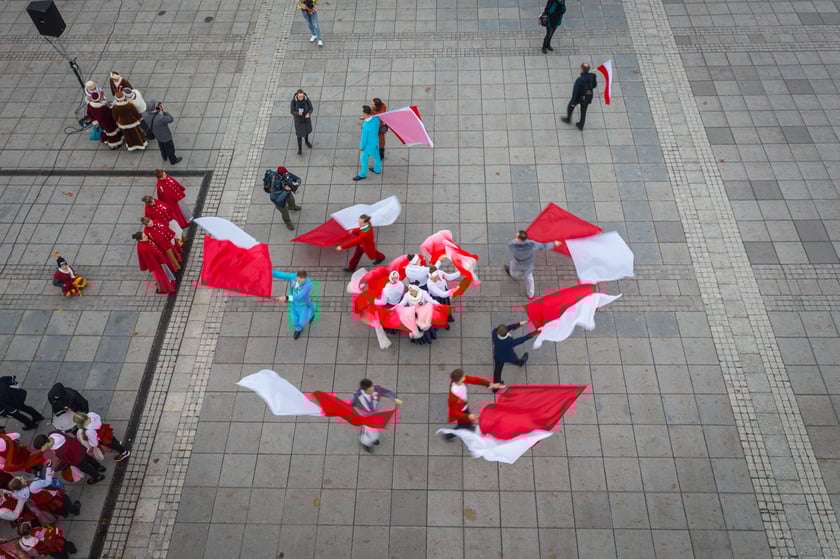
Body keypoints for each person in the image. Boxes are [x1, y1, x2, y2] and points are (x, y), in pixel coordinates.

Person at [8, 464, 82, 518]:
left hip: (41, 503)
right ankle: (74, 510)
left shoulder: (17, 492)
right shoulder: (33, 485)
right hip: (51, 497)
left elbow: (16, 496)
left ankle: (64, 514)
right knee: (65, 499)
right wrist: (48, 468)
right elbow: (47, 482)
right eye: (20, 478)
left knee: (55, 509)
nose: (21, 477)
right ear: (21, 484)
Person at [444, 369, 501, 439]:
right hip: (460, 411)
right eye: (463, 377)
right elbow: (454, 412)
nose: (465, 377)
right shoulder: (453, 396)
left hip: (464, 407)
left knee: (467, 421)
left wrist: (491, 384)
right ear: (458, 380)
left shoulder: (460, 381)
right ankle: (449, 435)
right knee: (461, 425)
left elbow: (475, 380)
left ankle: (468, 426)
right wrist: (468, 416)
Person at [505, 230, 561, 299]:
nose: (515, 238)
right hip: (528, 264)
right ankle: (530, 294)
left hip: (517, 263)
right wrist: (554, 244)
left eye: (516, 237)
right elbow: (543, 246)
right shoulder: (531, 244)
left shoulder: (512, 244)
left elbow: (509, 247)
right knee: (529, 278)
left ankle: (514, 277)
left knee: (513, 271)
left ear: (519, 239)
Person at [33, 433, 105, 485]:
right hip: (79, 449)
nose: (41, 450)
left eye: (41, 448)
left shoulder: (60, 451)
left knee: (85, 468)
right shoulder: (53, 434)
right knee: (88, 458)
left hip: (77, 459)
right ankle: (99, 467)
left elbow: (66, 462)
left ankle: (98, 476)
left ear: (45, 444)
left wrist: (55, 470)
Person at [350, 379, 401, 452]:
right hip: (366, 418)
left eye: (372, 388)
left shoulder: (376, 388)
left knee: (374, 431)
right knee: (373, 435)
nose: (373, 390)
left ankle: (371, 437)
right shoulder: (357, 397)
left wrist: (395, 398)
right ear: (364, 390)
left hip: (375, 414)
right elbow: (350, 405)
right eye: (370, 390)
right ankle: (365, 442)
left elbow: (387, 392)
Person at [492, 321, 541, 385]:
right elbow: (522, 339)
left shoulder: (494, 332)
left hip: (497, 356)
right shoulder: (508, 342)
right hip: (508, 356)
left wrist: (520, 324)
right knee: (515, 360)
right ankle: (520, 363)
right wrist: (536, 332)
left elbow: (507, 328)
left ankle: (496, 387)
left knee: (497, 372)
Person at [273, 270, 315, 340]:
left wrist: (286, 298)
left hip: (303, 305)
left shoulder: (308, 285)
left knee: (302, 321)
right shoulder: (293, 277)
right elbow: (281, 275)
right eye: (299, 280)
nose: (300, 282)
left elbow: (300, 296)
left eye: (302, 281)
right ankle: (298, 329)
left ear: (305, 278)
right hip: (294, 304)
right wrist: (267, 271)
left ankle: (311, 313)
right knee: (294, 319)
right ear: (297, 277)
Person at [561, 62, 598, 130]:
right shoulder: (593, 76)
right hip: (587, 97)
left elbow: (575, 92)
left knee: (570, 107)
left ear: (581, 70)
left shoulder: (579, 80)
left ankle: (568, 119)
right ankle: (581, 125)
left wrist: (573, 102)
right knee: (583, 111)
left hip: (579, 98)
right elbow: (594, 85)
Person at [352, 106, 382, 181]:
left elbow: (364, 138)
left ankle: (362, 174)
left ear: (365, 113)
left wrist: (361, 147)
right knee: (376, 157)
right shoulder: (376, 119)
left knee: (363, 159)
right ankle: (377, 169)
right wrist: (365, 118)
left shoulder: (365, 126)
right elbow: (372, 119)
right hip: (375, 142)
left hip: (368, 146)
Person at [290, 90, 314, 155]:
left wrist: (308, 113)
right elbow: (292, 111)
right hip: (299, 121)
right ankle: (300, 149)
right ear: (297, 95)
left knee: (307, 132)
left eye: (302, 96)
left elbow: (311, 108)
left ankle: (306, 141)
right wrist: (298, 113)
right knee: (299, 135)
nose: (301, 98)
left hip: (306, 120)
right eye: (300, 97)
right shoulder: (294, 101)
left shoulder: (306, 99)